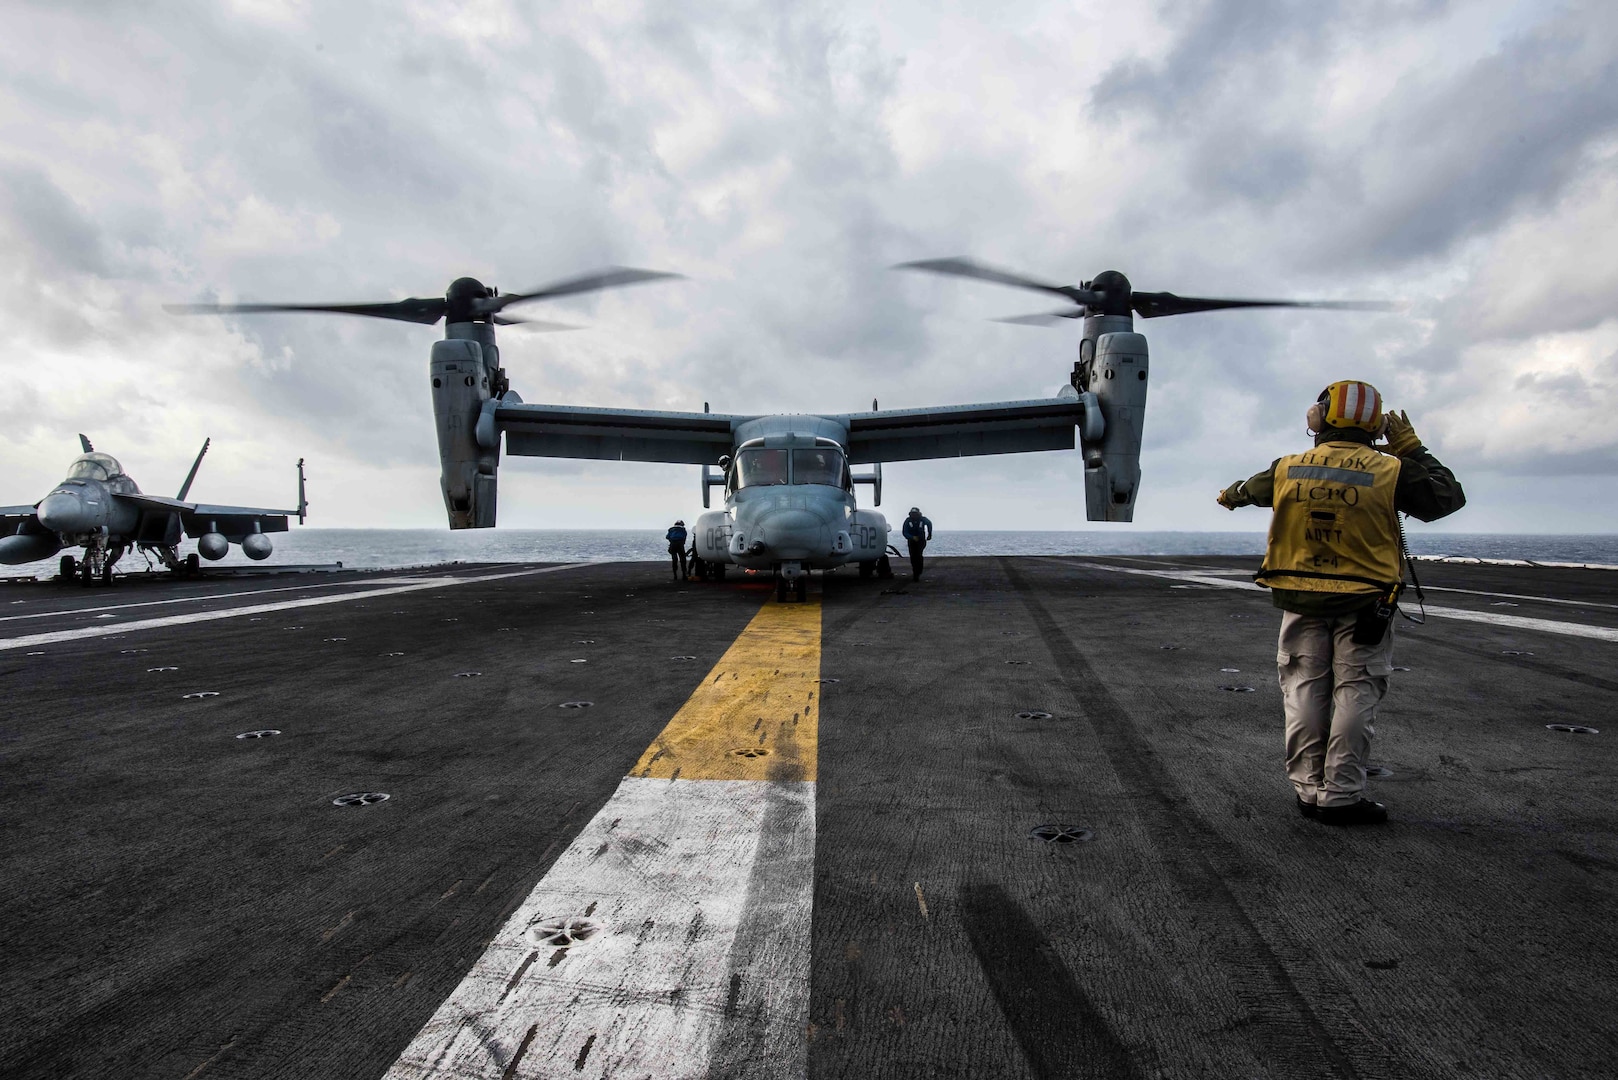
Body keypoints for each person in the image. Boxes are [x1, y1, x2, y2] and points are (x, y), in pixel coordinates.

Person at [1217, 381, 1465, 826]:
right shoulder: (1393, 470)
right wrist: (1412, 449)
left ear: (1319, 418)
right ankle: (1342, 794)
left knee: (1304, 689)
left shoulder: (1289, 467)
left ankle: (1308, 789)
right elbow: (1446, 499)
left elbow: (1245, 490)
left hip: (1301, 594)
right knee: (1356, 691)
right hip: (1366, 601)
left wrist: (1229, 495)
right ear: (1377, 425)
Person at [901, 507, 932, 580]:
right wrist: (912, 537)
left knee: (918, 555)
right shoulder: (907, 521)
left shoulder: (923, 519)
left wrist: (929, 533)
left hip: (921, 541)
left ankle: (918, 571)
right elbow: (905, 532)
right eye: (913, 514)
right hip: (912, 541)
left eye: (915, 514)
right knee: (913, 557)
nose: (914, 515)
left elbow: (929, 523)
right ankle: (915, 571)